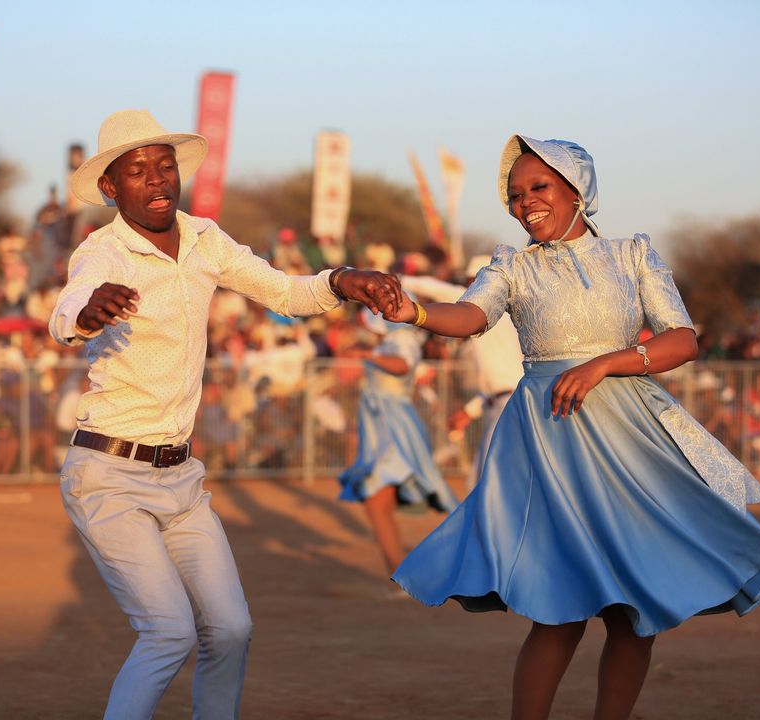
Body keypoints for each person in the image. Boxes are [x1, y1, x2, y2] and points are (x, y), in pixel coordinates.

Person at [384, 135, 760, 720]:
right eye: (516, 194)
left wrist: (605, 363)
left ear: (578, 190)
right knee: (559, 610)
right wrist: (415, 312)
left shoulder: (633, 255)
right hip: (551, 438)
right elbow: (471, 316)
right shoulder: (511, 266)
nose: (525, 201)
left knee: (634, 612)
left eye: (539, 187)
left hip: (632, 442)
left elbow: (682, 339)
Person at [48, 109, 401, 720]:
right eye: (138, 170)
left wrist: (343, 280)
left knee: (231, 629)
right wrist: (86, 312)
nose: (157, 179)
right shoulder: (103, 252)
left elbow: (285, 292)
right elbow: (66, 311)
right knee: (168, 632)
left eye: (165, 166)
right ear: (110, 187)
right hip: (108, 475)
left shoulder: (205, 238)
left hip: (180, 479)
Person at [338, 307, 457, 579]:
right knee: (378, 504)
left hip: (395, 429)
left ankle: (402, 574)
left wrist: (367, 355)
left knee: (378, 502)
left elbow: (403, 365)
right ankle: (400, 574)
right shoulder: (389, 341)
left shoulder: (403, 339)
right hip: (381, 427)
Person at [401, 256, 524, 490]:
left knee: (487, 482)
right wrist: (469, 411)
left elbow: (439, 289)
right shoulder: (500, 316)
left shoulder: (489, 306)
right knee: (483, 481)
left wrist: (399, 280)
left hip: (508, 405)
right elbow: (502, 384)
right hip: (503, 403)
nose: (467, 289)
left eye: (471, 281)